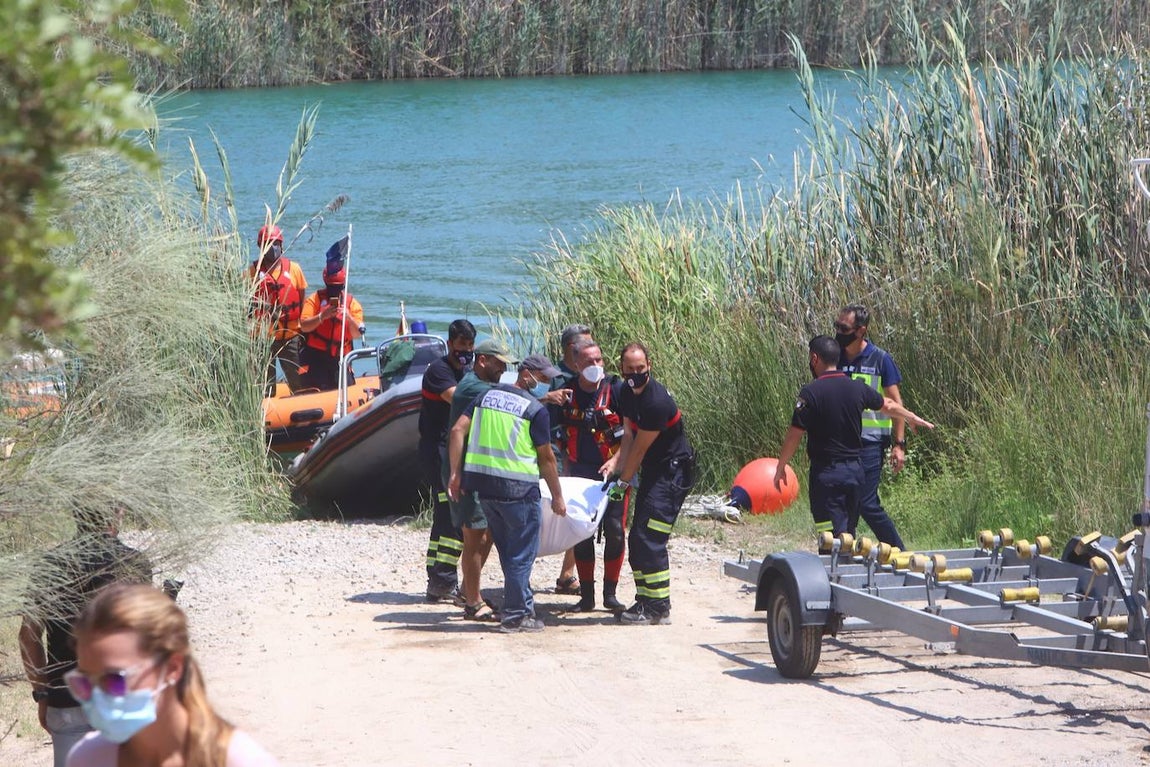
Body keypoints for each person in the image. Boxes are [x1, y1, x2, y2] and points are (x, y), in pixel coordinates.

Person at [64, 583, 279, 767]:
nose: (98, 697)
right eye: (84, 682)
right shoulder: (87, 759)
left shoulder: (241, 760)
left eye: (114, 679)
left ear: (172, 668)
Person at [19, 507, 155, 767]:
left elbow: (28, 635)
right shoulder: (134, 564)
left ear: (75, 514)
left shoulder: (50, 566)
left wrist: (42, 693)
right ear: (117, 514)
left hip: (66, 699)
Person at [773, 335, 934, 540]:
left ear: (815, 359)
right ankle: (847, 564)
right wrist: (911, 417)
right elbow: (889, 405)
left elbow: (794, 434)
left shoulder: (811, 393)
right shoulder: (857, 387)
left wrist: (781, 466)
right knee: (848, 535)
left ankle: (834, 570)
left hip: (826, 475)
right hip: (855, 473)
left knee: (829, 538)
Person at [450, 358, 567, 634]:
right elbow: (547, 458)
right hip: (520, 491)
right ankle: (515, 616)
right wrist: (558, 496)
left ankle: (523, 608)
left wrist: (456, 474)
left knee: (509, 553)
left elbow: (457, 430)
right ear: (525, 374)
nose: (546, 384)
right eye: (542, 377)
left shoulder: (484, 397)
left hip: (486, 490)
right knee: (520, 556)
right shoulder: (535, 410)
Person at [603, 343, 695, 626]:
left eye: (640, 369)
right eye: (629, 369)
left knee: (649, 538)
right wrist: (616, 464)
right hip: (655, 471)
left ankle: (658, 608)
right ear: (621, 369)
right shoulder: (625, 394)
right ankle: (646, 600)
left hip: (672, 473)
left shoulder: (655, 402)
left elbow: (640, 449)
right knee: (637, 536)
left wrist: (623, 483)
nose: (635, 374)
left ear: (649, 366)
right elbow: (629, 437)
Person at [441, 338, 522, 622]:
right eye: (499, 363)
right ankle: (473, 602)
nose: (503, 368)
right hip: (464, 473)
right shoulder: (473, 388)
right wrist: (455, 473)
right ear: (483, 360)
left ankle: (467, 589)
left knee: (485, 532)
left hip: (478, 470)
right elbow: (457, 431)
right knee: (474, 536)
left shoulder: (478, 384)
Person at [558, 338, 628, 613]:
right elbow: (558, 434)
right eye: (589, 361)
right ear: (576, 364)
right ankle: (586, 597)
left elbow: (632, 435)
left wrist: (615, 460)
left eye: (599, 360)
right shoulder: (566, 393)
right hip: (580, 476)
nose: (596, 365)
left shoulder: (617, 390)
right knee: (581, 534)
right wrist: (564, 471)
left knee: (615, 530)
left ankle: (610, 595)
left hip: (617, 475)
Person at [836, 303, 908, 548]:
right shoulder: (834, 357)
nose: (838, 331)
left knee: (867, 502)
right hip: (842, 442)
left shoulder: (880, 359)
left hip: (871, 443)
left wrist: (899, 445)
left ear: (860, 330)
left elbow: (896, 404)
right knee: (846, 503)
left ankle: (899, 552)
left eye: (843, 328)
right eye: (836, 326)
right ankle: (844, 554)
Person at [417, 318, 476, 605]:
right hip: (437, 450)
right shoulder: (439, 371)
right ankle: (443, 581)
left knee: (444, 515)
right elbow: (458, 398)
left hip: (447, 449)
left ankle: (437, 579)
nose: (466, 349)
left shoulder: (463, 370)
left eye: (470, 344)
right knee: (452, 518)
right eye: (461, 344)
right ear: (450, 343)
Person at [544, 324, 589, 596]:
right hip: (554, 453)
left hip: (580, 455)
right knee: (544, 513)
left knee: (580, 513)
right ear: (569, 349)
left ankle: (567, 574)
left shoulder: (590, 379)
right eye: (583, 348)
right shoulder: (554, 379)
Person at [246, 224, 307, 396]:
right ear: (261, 246)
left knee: (299, 382)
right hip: (262, 338)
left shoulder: (294, 269)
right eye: (268, 243)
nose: (273, 248)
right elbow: (245, 304)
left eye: (276, 243)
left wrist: (302, 331)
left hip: (290, 335)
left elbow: (302, 301)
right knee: (265, 386)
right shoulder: (252, 272)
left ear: (281, 245)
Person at [298, 263, 364, 391]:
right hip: (317, 357)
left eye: (338, 287)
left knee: (346, 388)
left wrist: (349, 317)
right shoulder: (315, 300)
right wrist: (322, 316)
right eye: (331, 287)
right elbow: (304, 326)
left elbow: (357, 334)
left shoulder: (352, 304)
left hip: (340, 359)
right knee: (315, 387)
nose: (334, 291)